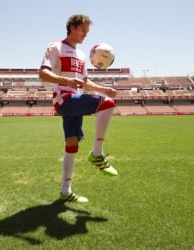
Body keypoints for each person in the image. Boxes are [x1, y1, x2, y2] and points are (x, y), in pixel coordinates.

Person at [39, 14, 118, 203]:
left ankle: (65, 192)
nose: (85, 34)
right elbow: (43, 73)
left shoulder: (82, 55)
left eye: (87, 31)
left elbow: (84, 82)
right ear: (72, 28)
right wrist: (66, 80)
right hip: (64, 99)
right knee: (107, 103)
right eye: (83, 30)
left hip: (75, 99)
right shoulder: (56, 47)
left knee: (71, 145)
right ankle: (97, 154)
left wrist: (103, 88)